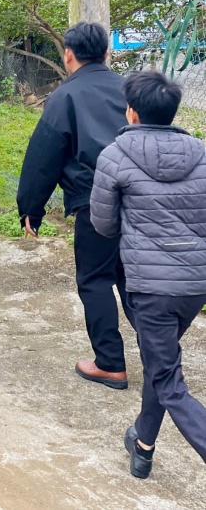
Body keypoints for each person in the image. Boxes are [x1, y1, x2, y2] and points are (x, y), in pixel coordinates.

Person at [90, 71, 206, 479]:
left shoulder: (115, 155)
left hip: (149, 287)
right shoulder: (202, 153)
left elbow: (103, 225)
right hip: (194, 286)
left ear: (133, 112)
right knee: (162, 364)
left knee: (169, 380)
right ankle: (143, 443)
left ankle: (147, 442)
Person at [17, 21, 135, 389]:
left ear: (68, 55)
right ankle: (161, 355)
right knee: (135, 280)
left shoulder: (65, 96)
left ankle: (111, 363)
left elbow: (44, 156)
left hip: (94, 199)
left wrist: (30, 207)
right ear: (106, 53)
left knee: (96, 279)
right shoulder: (131, 89)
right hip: (141, 200)